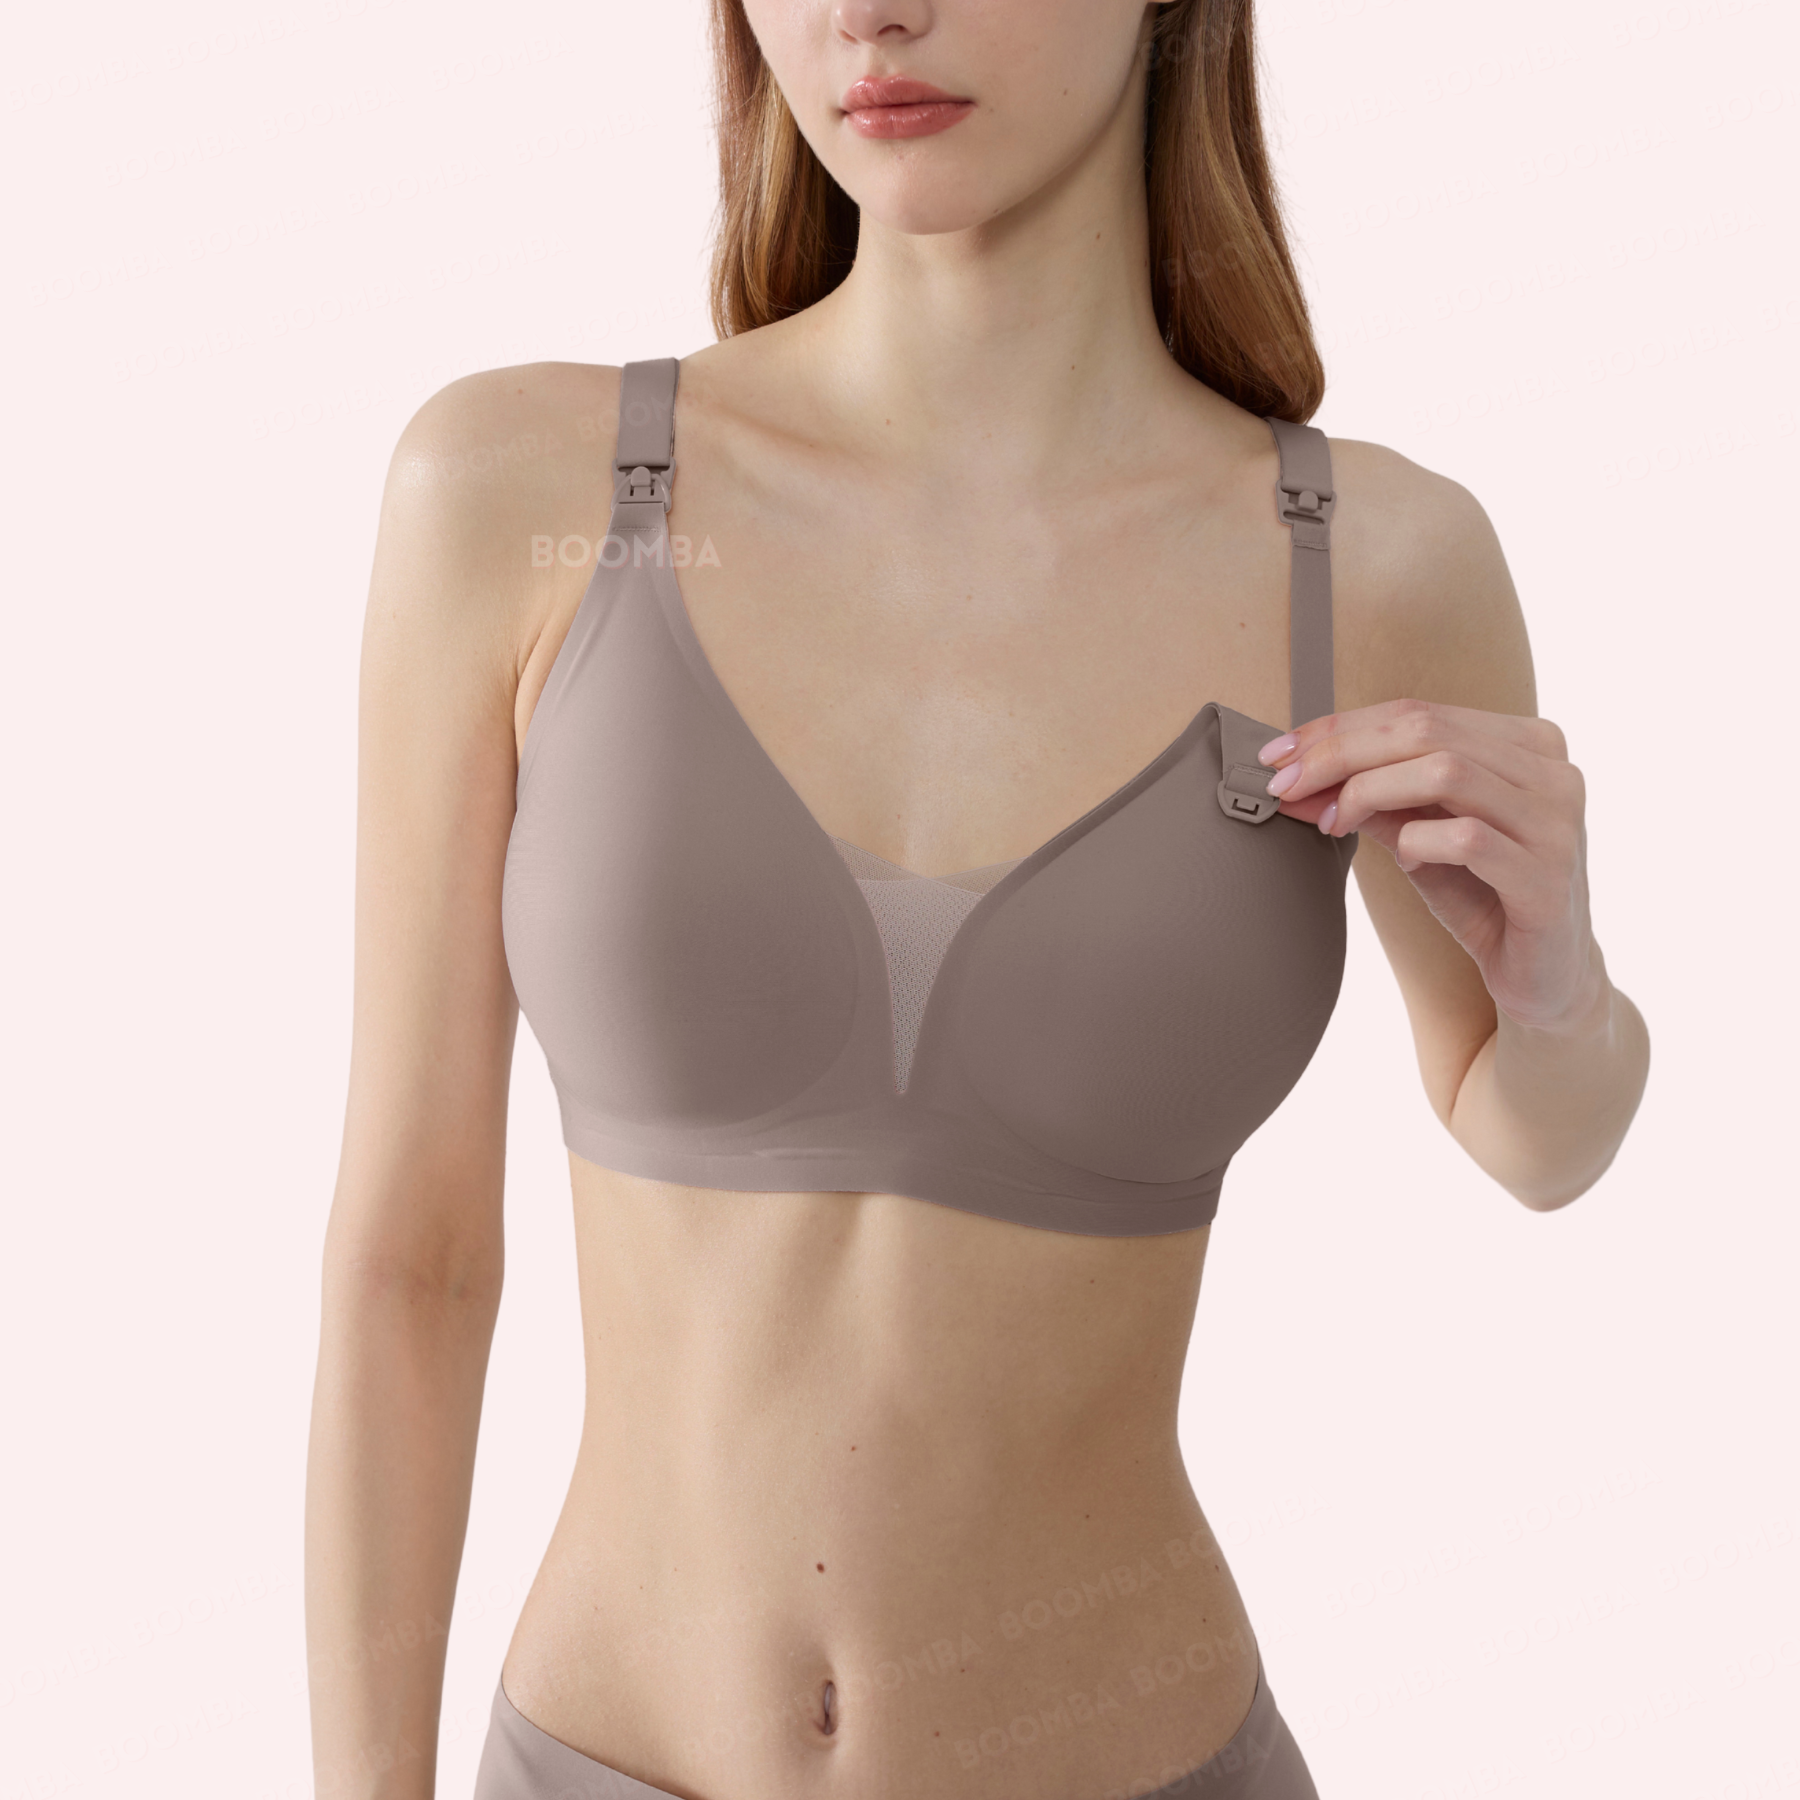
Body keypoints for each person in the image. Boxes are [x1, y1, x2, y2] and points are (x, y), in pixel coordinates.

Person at [304, 2, 1652, 1795]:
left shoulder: (1370, 565)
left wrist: (1563, 995)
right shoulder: (521, 492)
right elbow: (410, 1261)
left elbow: (1538, 1141)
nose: (870, 12)